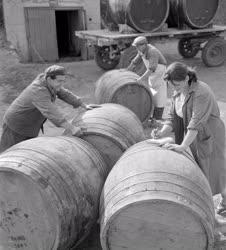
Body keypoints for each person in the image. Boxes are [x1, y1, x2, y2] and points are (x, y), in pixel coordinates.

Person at [151, 61, 226, 215]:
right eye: (172, 85)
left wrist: (183, 146)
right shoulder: (178, 91)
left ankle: (225, 201)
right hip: (192, 135)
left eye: (177, 84)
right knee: (200, 170)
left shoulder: (201, 92)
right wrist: (162, 132)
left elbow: (196, 121)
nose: (174, 88)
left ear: (186, 78)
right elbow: (173, 116)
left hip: (209, 134)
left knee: (215, 171)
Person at [0, 65, 98, 153]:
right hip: (15, 126)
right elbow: (51, 112)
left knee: (24, 154)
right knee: (7, 154)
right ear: (49, 79)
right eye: (59, 81)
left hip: (30, 127)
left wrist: (83, 105)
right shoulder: (38, 90)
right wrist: (71, 128)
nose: (61, 84)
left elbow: (64, 94)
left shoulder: (49, 84)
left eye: (63, 81)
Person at [127, 36, 167, 121]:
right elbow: (134, 62)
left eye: (138, 46)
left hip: (159, 72)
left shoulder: (152, 52)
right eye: (136, 46)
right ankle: (151, 115)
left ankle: (158, 118)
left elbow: (151, 69)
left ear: (144, 45)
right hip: (153, 74)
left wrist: (141, 79)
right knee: (151, 93)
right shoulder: (141, 51)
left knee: (159, 95)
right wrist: (126, 71)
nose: (137, 48)